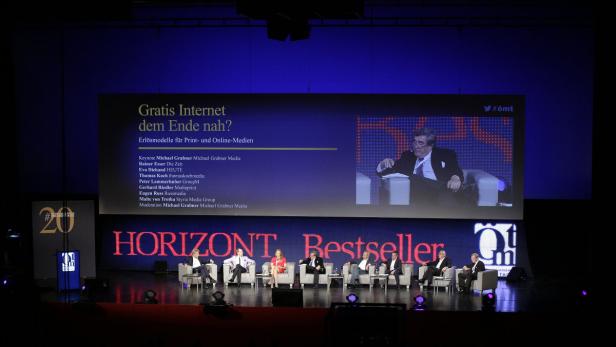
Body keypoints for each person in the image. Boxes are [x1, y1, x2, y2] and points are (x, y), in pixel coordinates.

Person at [376, 127, 464, 207]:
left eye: (420, 143)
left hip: (440, 196)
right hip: (416, 198)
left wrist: (455, 177)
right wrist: (384, 164)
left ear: (430, 145)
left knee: (413, 178)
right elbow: (385, 173)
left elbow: (455, 169)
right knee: (413, 178)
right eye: (414, 141)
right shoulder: (407, 156)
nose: (416, 146)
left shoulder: (445, 155)